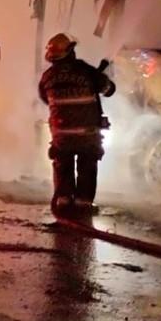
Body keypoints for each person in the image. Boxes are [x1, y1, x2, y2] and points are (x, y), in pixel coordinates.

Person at [37, 33, 115, 216]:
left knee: (62, 165)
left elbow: (45, 99)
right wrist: (101, 80)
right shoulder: (85, 71)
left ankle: (63, 201)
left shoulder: (47, 77)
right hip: (86, 134)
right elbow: (108, 89)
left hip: (61, 135)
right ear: (70, 51)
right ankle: (83, 204)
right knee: (87, 166)